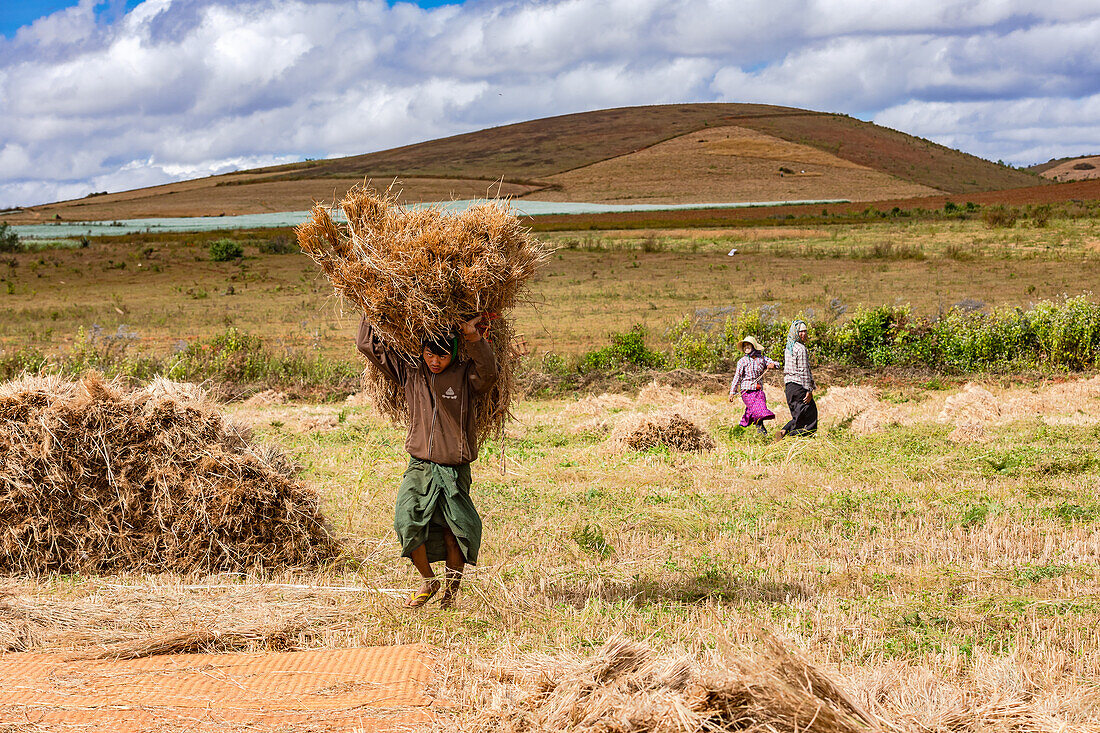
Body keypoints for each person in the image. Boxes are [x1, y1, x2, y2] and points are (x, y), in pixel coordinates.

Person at [356, 314, 498, 610]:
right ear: (422, 351)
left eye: (443, 356)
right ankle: (429, 580)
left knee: (453, 531)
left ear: (454, 354)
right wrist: (370, 309)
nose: (435, 361)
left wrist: (473, 337)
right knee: (406, 521)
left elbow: (489, 373)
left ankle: (451, 594)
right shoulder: (410, 372)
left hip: (454, 468)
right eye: (429, 354)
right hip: (419, 465)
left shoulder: (465, 376)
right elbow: (367, 346)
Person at [728, 336, 779, 435]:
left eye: (748, 345)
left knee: (751, 412)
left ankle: (741, 429)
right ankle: (762, 431)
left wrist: (773, 365)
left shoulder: (762, 359)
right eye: (745, 346)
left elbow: (776, 363)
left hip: (759, 391)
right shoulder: (742, 361)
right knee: (758, 410)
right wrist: (732, 392)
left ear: (754, 346)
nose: (746, 347)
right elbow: (737, 377)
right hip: (747, 391)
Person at [777, 320, 817, 438]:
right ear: (795, 332)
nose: (804, 334)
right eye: (801, 331)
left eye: (805, 331)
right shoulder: (801, 349)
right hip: (800, 386)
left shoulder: (788, 348)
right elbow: (803, 371)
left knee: (798, 416)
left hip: (789, 387)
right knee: (811, 417)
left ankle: (784, 431)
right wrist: (809, 390)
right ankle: (792, 438)